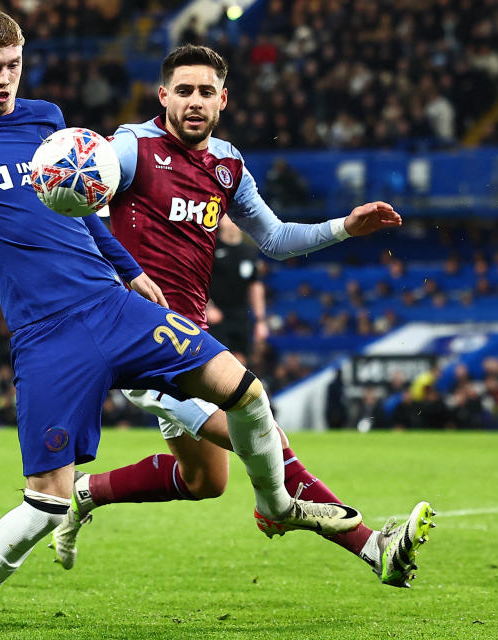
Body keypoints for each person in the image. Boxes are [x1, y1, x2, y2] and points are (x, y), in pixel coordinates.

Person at [0, 11, 364, 629]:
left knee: (245, 392)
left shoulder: (48, 120)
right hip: (46, 335)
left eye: (14, 66)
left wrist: (127, 267)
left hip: (114, 305)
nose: (4, 80)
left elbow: (80, 209)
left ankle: (276, 504)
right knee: (47, 502)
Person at [51, 45, 433, 590]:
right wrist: (118, 268)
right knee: (260, 430)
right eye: (183, 90)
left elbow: (274, 238)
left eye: (206, 91)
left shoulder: (227, 165)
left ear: (223, 99)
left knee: (205, 479)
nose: (194, 101)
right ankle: (375, 548)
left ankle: (84, 494)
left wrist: (344, 226)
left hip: (189, 340)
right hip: (137, 340)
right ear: (163, 96)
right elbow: (80, 204)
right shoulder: (132, 148)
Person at [206, 214, 268, 363]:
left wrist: (261, 320)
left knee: (240, 362)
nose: (233, 221)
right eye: (228, 216)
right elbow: (198, 280)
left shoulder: (249, 252)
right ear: (219, 219)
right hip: (216, 316)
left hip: (240, 315)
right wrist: (207, 307)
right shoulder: (211, 248)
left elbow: (255, 286)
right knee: (217, 362)